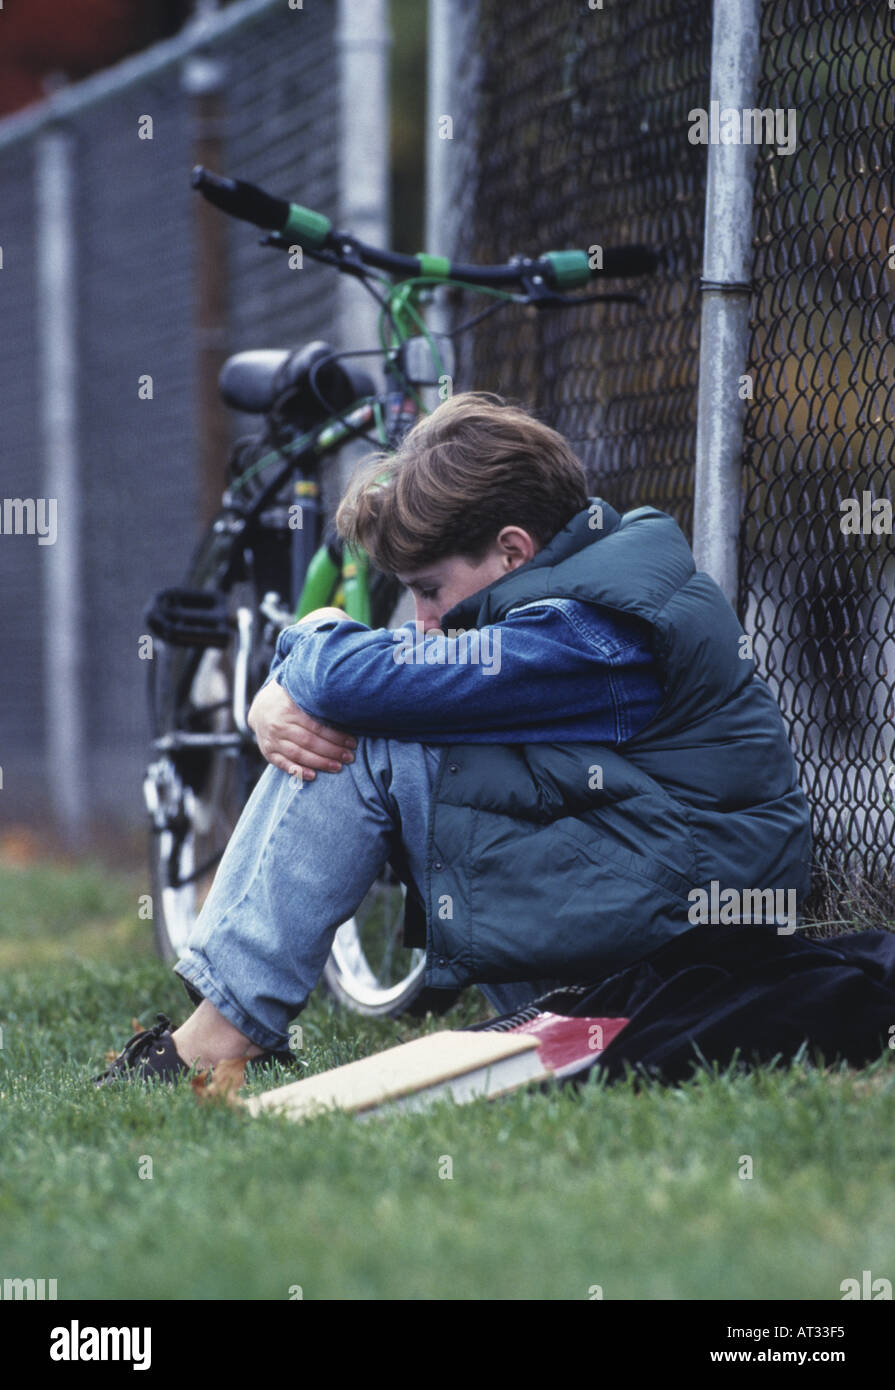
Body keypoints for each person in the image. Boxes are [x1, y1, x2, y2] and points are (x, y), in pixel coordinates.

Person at [95, 392, 811, 1084]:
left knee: (372, 733)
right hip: (636, 904)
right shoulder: (575, 590)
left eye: (429, 590)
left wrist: (289, 668)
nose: (420, 616)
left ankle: (220, 1035)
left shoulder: (594, 633)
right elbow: (380, 676)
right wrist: (289, 687)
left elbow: (366, 686)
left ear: (510, 550)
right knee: (373, 714)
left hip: (681, 951)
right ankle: (224, 1022)